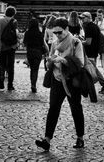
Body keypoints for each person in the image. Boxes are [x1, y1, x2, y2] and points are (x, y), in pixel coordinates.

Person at [35, 17, 87, 151]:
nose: (57, 35)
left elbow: (80, 63)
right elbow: (50, 60)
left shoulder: (76, 43)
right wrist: (50, 62)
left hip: (71, 82)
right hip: (57, 80)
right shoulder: (54, 42)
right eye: (55, 32)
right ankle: (47, 140)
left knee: (76, 109)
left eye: (60, 32)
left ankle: (80, 137)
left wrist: (63, 60)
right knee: (53, 110)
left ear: (67, 29)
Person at [81, 12, 104, 94]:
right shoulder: (94, 26)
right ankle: (91, 86)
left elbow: (88, 42)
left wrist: (80, 42)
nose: (82, 19)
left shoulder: (89, 27)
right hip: (94, 50)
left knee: (93, 70)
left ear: (88, 18)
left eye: (83, 18)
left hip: (90, 51)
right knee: (92, 69)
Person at [0, 6, 18, 92]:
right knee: (10, 66)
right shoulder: (14, 21)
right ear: (13, 14)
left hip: (1, 46)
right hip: (11, 46)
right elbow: (16, 33)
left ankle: (1, 81)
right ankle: (10, 85)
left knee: (2, 64)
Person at [23, 17, 47, 93]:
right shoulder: (40, 33)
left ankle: (32, 84)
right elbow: (42, 43)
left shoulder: (27, 33)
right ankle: (34, 85)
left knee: (31, 69)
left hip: (30, 52)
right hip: (38, 53)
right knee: (35, 69)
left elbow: (24, 43)